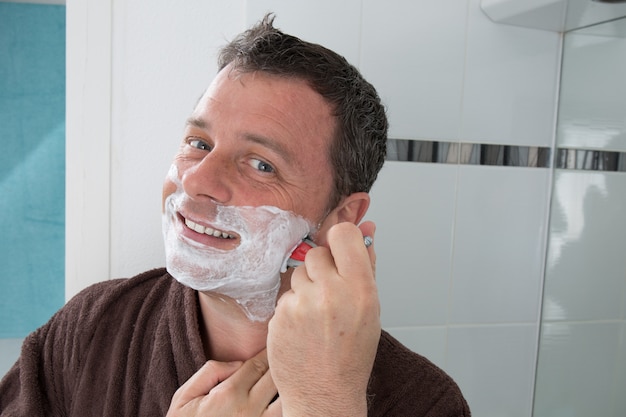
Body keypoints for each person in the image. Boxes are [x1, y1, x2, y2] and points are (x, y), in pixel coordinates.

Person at [0, 14, 470, 417]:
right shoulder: (92, 328)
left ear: (340, 215)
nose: (198, 180)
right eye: (198, 144)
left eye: (261, 164)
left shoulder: (422, 401)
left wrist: (326, 403)